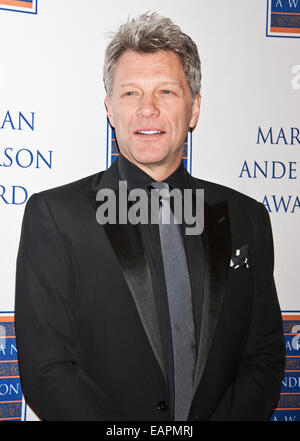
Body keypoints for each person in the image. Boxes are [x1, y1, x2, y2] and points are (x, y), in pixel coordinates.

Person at [15, 12, 285, 421]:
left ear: (193, 109)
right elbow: (47, 369)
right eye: (130, 94)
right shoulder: (55, 217)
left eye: (166, 92)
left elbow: (262, 357)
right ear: (110, 109)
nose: (147, 109)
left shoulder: (248, 218)